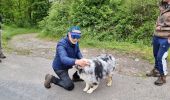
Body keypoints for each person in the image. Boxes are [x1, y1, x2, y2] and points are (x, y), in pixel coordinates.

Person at [44, 26, 89, 91]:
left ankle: (76, 77)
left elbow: (78, 51)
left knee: (84, 67)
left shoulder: (76, 42)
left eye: (78, 37)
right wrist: (77, 61)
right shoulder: (61, 44)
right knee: (69, 86)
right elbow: (63, 58)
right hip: (60, 68)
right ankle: (52, 78)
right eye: (74, 36)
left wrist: (82, 59)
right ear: (69, 34)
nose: (76, 39)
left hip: (70, 64)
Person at [146, 0, 170, 86]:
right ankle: (156, 71)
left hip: (165, 38)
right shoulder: (164, 5)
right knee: (156, 55)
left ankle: (163, 77)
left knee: (161, 57)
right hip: (157, 36)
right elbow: (159, 22)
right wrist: (154, 35)